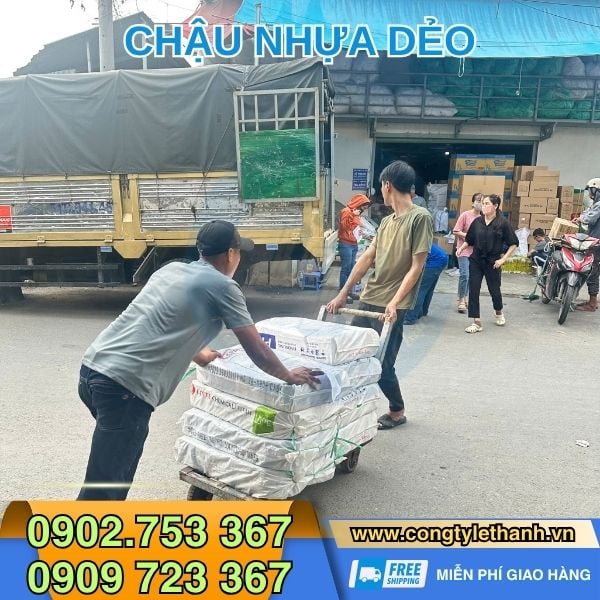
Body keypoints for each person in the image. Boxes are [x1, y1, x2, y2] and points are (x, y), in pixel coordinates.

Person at [77, 220, 320, 500]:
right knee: (104, 489)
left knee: (113, 470)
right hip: (125, 389)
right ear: (230, 253)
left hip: (92, 371)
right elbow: (256, 348)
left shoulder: (171, 270)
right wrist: (288, 375)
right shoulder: (223, 286)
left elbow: (164, 321)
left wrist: (200, 354)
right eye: (239, 252)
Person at [326, 160, 433, 430]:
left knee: (383, 363)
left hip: (393, 303)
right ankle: (353, 406)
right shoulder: (386, 222)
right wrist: (343, 293)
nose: (379, 192)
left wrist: (395, 302)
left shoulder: (420, 217)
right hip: (371, 295)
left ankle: (397, 410)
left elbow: (417, 266)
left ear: (387, 185)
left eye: (380, 187)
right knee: (353, 354)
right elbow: (366, 259)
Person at [457, 194, 519, 333]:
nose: (483, 206)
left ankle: (498, 311)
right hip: (476, 260)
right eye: (482, 203)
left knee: (494, 291)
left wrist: (503, 259)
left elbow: (513, 243)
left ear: (495, 206)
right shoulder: (477, 222)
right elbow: (470, 239)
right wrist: (461, 248)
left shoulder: (503, 223)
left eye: (486, 203)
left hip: (493, 262)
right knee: (473, 289)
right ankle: (476, 322)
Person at [403, 243, 449, 325]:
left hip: (434, 260)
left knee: (419, 289)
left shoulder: (405, 244)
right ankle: (422, 311)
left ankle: (410, 318)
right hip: (442, 257)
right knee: (428, 288)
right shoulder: (413, 240)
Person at [453, 193, 483, 313]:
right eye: (478, 201)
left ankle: (466, 298)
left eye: (482, 201)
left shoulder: (483, 218)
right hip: (463, 250)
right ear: (473, 203)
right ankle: (461, 299)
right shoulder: (465, 215)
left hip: (476, 252)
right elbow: (456, 231)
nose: (480, 203)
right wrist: (468, 236)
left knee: (472, 277)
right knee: (464, 274)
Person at [574, 177, 600, 311]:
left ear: (596, 190)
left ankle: (592, 303)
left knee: (592, 269)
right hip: (595, 240)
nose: (589, 193)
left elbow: (591, 217)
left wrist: (581, 219)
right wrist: (580, 217)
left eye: (590, 190)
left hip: (597, 242)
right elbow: (588, 212)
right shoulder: (596, 204)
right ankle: (593, 300)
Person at [338, 194, 371, 299]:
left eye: (366, 207)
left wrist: (360, 231)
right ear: (359, 203)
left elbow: (353, 227)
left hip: (353, 243)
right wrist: (352, 214)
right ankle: (343, 293)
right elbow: (344, 226)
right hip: (346, 244)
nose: (364, 209)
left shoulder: (356, 213)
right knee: (346, 269)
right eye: (364, 206)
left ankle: (348, 292)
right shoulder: (346, 211)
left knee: (351, 269)